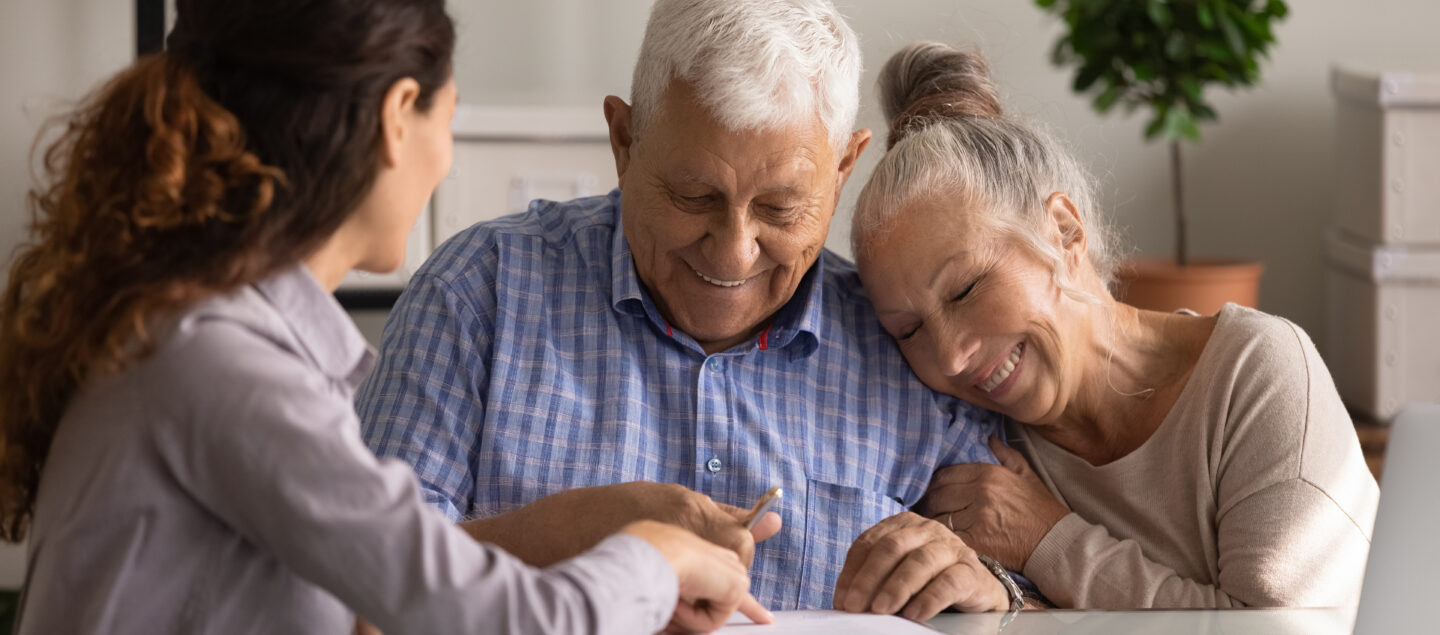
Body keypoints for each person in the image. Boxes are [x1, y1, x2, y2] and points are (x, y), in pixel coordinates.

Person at [0, 1, 773, 633]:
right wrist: (651, 557)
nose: (446, 157)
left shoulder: (204, 333)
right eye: (449, 118)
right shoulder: (225, 365)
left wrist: (606, 537)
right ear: (398, 117)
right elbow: (493, 618)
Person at [357, 0, 1014, 619]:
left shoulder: (912, 340)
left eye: (780, 209)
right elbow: (355, 592)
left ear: (842, 170)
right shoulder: (480, 295)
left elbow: (1025, 585)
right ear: (624, 140)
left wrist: (992, 591)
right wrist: (572, 535)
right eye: (693, 196)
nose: (732, 254)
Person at [849, 41, 1380, 609]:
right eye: (908, 331)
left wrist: (1049, 541)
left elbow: (1275, 629)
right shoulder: (972, 442)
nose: (951, 356)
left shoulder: (1255, 373)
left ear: (1063, 231)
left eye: (965, 290)